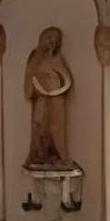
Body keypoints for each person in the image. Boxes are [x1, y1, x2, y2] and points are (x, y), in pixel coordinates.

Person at [23, 28, 72, 169]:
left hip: (56, 99)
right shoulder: (35, 58)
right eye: (48, 38)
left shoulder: (57, 58)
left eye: (54, 39)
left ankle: (59, 155)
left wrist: (58, 88)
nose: (51, 42)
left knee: (57, 126)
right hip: (41, 97)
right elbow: (30, 76)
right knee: (40, 124)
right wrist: (39, 86)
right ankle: (40, 154)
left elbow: (66, 78)